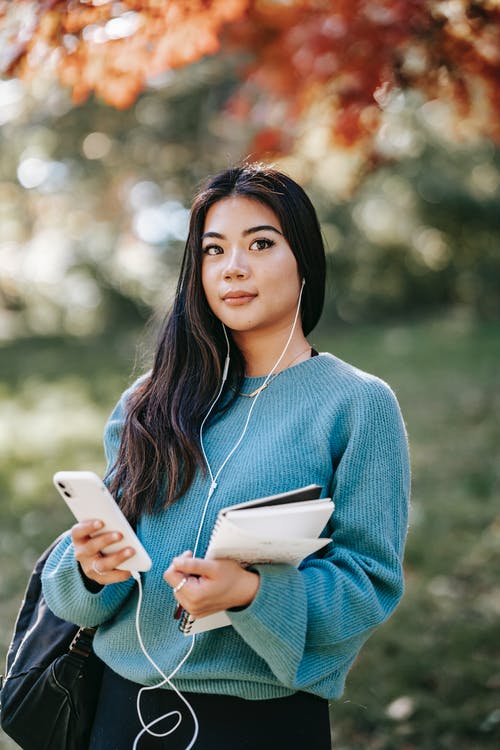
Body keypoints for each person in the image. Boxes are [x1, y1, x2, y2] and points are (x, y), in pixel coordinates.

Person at [41, 163, 410, 749]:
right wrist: (89, 568)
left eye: (260, 243)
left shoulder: (357, 404)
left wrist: (250, 594)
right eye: (214, 250)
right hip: (120, 712)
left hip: (262, 722)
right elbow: (78, 600)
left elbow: (369, 583)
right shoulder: (149, 401)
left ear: (304, 261)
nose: (233, 266)